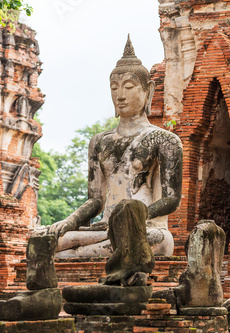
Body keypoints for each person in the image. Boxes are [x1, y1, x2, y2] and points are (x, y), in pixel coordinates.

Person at [47, 35, 183, 258]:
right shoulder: (100, 141)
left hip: (145, 228)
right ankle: (81, 252)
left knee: (156, 241)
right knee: (45, 241)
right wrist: (69, 221)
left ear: (148, 90)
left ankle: (80, 254)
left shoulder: (164, 140)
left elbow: (171, 200)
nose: (120, 95)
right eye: (114, 88)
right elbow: (96, 200)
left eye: (129, 87)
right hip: (104, 228)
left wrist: (130, 219)